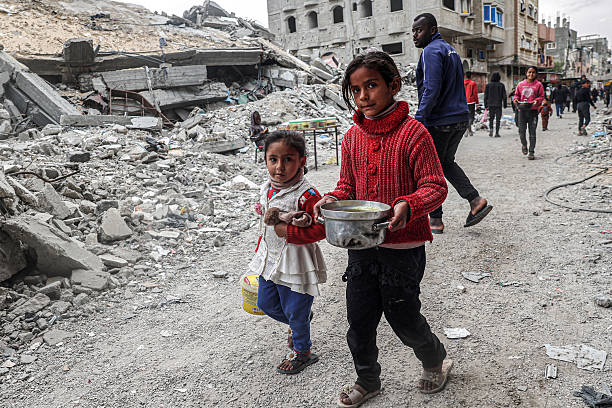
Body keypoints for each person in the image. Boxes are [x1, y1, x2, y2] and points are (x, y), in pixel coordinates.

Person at [312, 50, 452, 406]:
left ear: (394, 85)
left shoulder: (414, 133)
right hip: (361, 245)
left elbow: (435, 185)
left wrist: (411, 204)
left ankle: (435, 359)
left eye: (371, 86)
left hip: (403, 247)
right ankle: (367, 380)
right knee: (359, 320)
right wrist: (331, 200)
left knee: (403, 314)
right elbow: (347, 188)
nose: (363, 96)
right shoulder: (352, 138)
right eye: (356, 89)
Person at [249, 130, 327, 375]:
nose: (279, 167)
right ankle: (300, 320)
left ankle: (302, 352)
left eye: (288, 160)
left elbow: (322, 228)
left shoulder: (308, 195)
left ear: (302, 161)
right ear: (265, 160)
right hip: (270, 260)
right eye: (273, 160)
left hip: (295, 263)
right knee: (266, 303)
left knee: (294, 309)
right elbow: (266, 221)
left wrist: (288, 233)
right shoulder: (267, 188)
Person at [412, 12, 492, 234]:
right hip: (459, 118)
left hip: (440, 121)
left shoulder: (431, 51)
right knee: (445, 163)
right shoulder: (450, 50)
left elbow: (432, 88)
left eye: (419, 30)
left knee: (429, 170)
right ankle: (475, 200)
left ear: (432, 29)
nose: (415, 36)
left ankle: (435, 220)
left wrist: (419, 119)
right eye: (413, 32)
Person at [513, 66, 544, 160]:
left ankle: (531, 151)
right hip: (521, 111)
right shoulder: (520, 84)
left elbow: (541, 96)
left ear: (536, 74)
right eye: (529, 72)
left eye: (533, 72)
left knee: (532, 132)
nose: (531, 74)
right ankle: (524, 145)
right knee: (521, 131)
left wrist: (537, 101)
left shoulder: (538, 85)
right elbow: (516, 95)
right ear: (526, 73)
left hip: (533, 111)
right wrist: (515, 100)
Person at [484, 72, 507, 137]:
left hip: (490, 105)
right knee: (498, 119)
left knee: (491, 118)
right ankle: (497, 133)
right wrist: (504, 104)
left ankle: (491, 130)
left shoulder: (488, 85)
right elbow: (504, 96)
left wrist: (485, 104)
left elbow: (485, 96)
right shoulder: (501, 85)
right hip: (498, 105)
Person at [464, 71, 478, 136]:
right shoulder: (473, 83)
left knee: (466, 116)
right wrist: (477, 102)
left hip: (464, 102)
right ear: (471, 76)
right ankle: (469, 129)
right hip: (471, 102)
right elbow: (475, 93)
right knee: (471, 116)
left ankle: (467, 129)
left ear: (465, 76)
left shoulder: (463, 83)